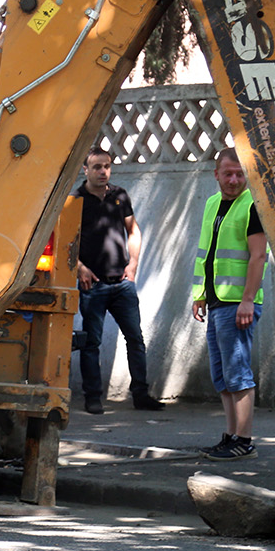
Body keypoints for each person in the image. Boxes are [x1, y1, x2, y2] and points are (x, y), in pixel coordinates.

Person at [191, 146, 269, 460]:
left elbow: (258, 256)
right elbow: (206, 255)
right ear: (217, 175)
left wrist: (247, 301)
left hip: (238, 303)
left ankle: (244, 440)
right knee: (222, 376)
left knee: (238, 374)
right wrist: (199, 295)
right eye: (228, 174)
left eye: (239, 174)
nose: (234, 180)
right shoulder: (212, 204)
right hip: (217, 301)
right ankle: (231, 435)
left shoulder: (252, 206)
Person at [75, 145, 165, 415]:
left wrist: (134, 264)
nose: (103, 172)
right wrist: (79, 267)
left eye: (107, 166)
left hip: (122, 282)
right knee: (91, 342)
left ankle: (140, 394)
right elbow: (67, 241)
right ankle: (93, 397)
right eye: (97, 167)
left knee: (135, 338)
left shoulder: (119, 196)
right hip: (94, 285)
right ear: (86, 169)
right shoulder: (76, 201)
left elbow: (133, 230)